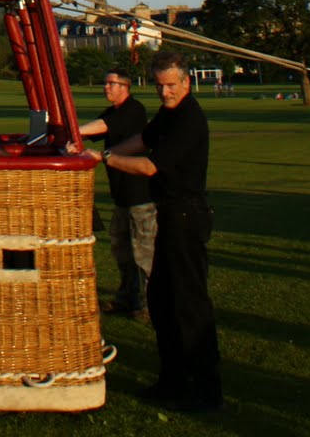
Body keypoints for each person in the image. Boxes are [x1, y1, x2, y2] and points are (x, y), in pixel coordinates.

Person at [103, 51, 222, 413]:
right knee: (162, 301)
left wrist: (104, 159)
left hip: (186, 216)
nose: (165, 92)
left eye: (171, 85)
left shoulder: (189, 118)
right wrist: (107, 150)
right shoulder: (168, 115)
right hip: (167, 216)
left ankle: (205, 392)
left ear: (186, 82)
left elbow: (150, 165)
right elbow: (142, 140)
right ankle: (172, 380)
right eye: (159, 85)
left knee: (189, 305)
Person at [68, 69, 156, 321]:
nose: (106, 87)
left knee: (144, 254)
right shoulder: (113, 111)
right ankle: (126, 298)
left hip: (140, 195)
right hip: (121, 196)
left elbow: (100, 127)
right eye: (105, 83)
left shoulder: (133, 109)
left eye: (111, 83)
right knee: (122, 251)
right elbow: (96, 131)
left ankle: (149, 305)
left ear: (125, 86)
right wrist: (75, 141)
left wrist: (75, 132)